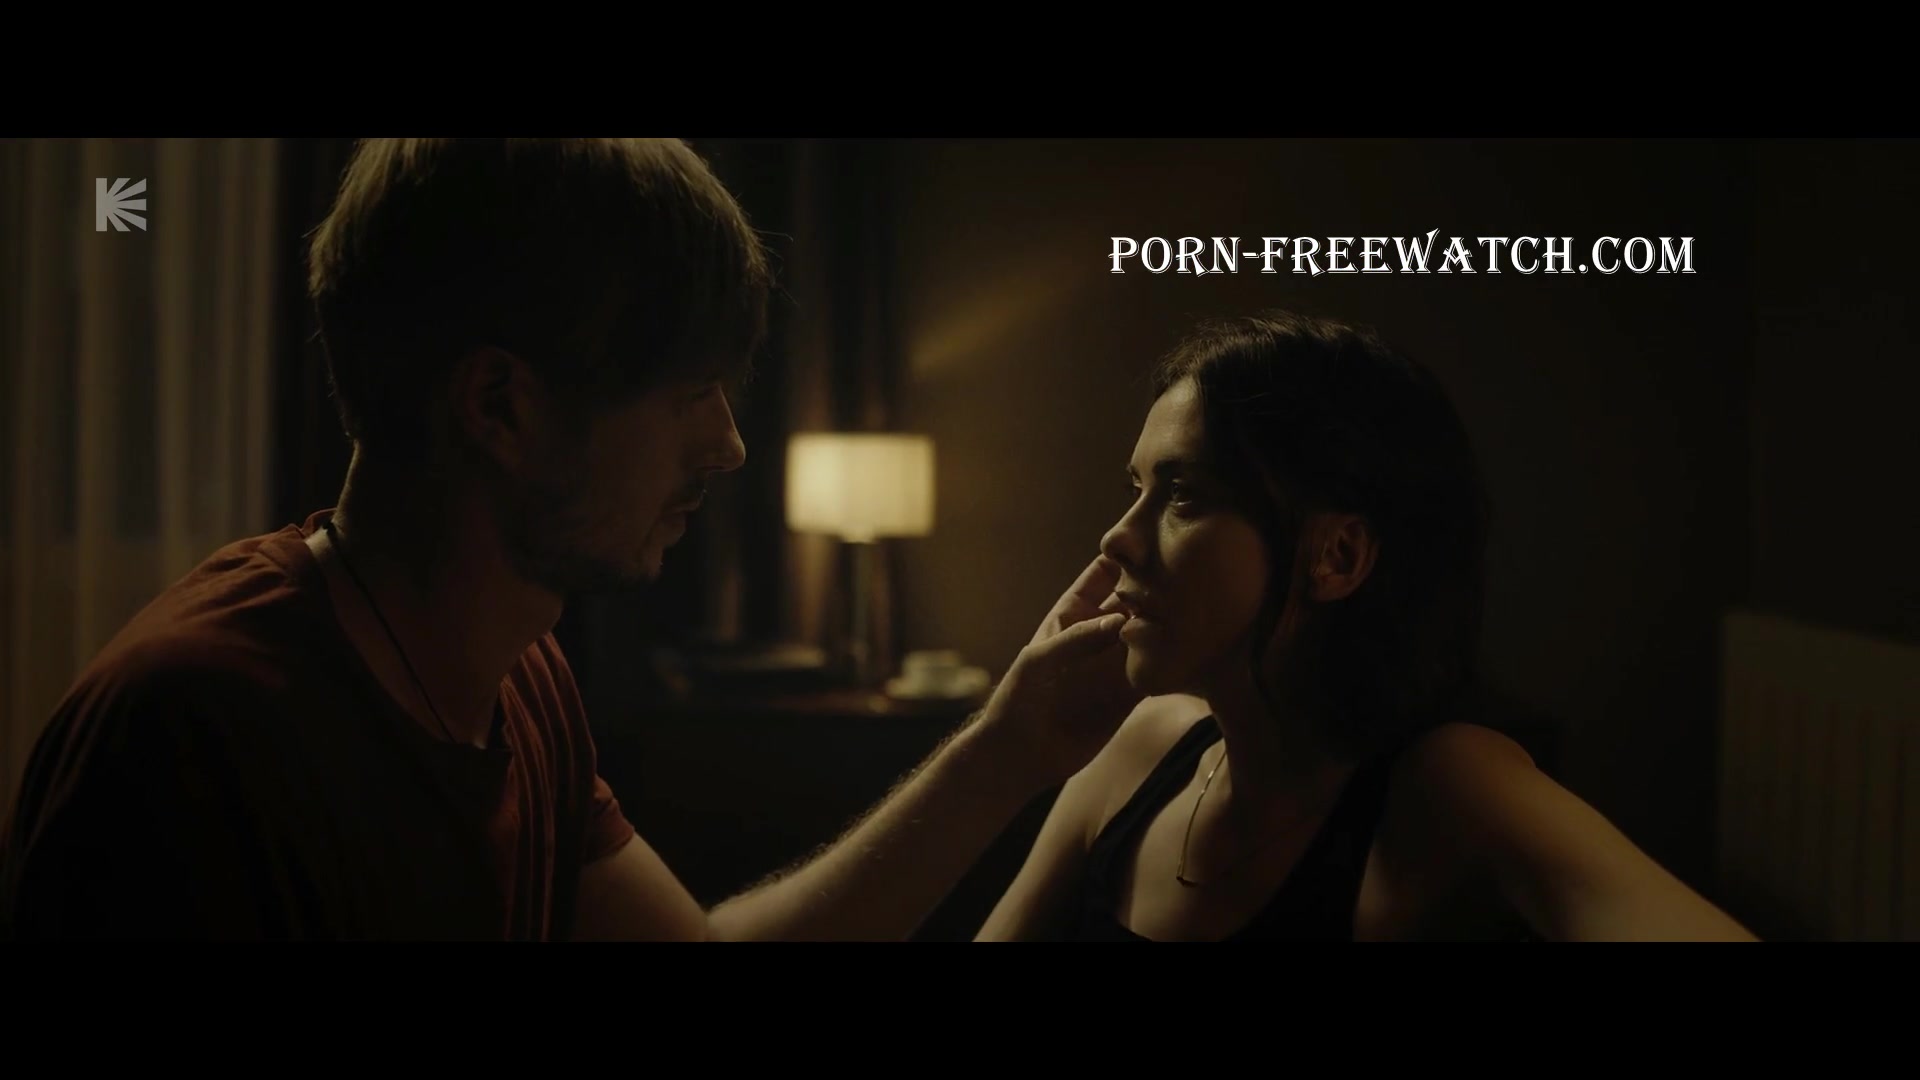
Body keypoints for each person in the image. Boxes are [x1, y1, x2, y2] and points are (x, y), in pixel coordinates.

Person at [0, 138, 1140, 941]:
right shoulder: (196, 736)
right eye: (688, 393)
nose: (730, 445)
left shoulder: (518, 677)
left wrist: (1010, 746)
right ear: (499, 407)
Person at [976, 310, 1759, 942]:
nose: (1117, 539)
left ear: (1338, 556)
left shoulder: (1448, 782)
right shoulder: (1139, 749)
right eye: (1137, 489)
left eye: (1183, 495)